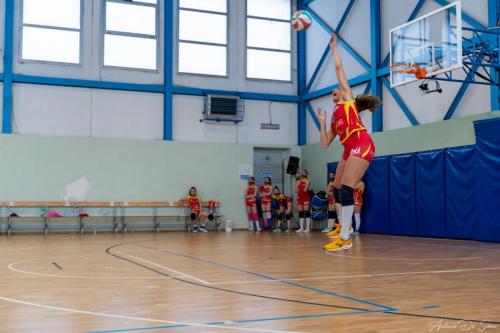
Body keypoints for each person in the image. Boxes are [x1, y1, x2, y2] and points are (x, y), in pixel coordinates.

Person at [316, 33, 381, 251]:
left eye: (337, 90)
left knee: (346, 188)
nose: (335, 91)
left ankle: (346, 235)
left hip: (362, 143)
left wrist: (334, 48)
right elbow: (324, 144)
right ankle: (342, 228)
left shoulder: (348, 102)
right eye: (333, 91)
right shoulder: (335, 117)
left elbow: (339, 71)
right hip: (348, 148)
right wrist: (322, 122)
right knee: (336, 187)